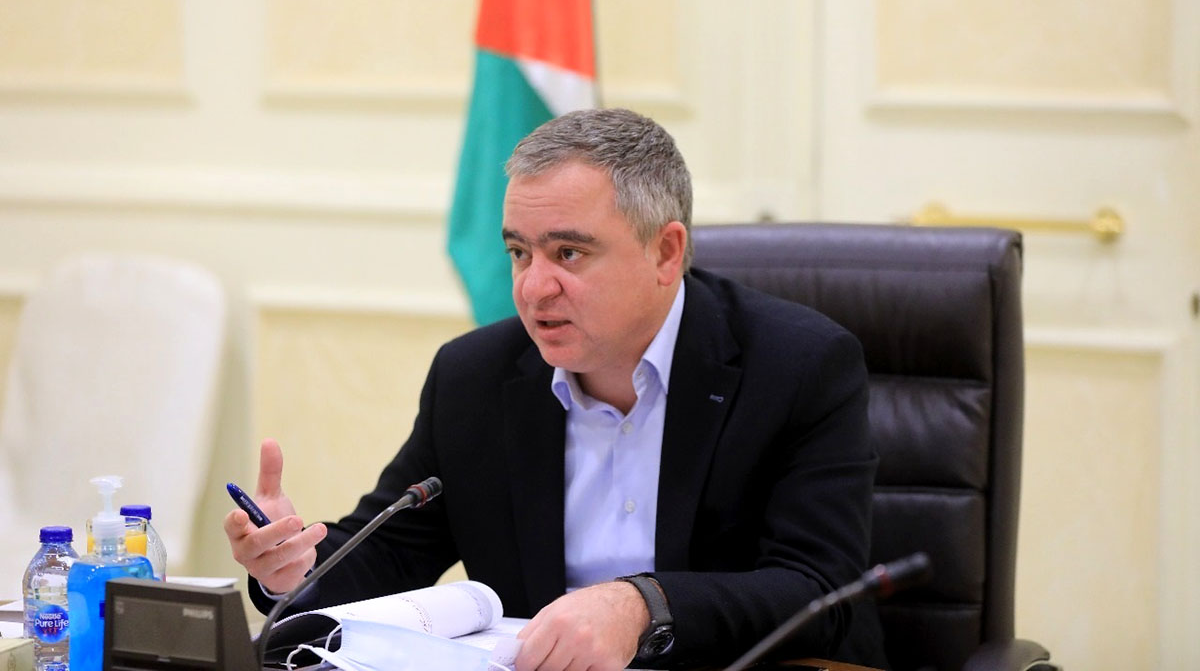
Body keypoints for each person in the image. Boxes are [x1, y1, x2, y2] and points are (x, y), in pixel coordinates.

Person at [225, 108, 882, 670]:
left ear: (665, 252)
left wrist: (643, 605)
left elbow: (820, 589)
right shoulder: (475, 376)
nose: (534, 287)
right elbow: (393, 550)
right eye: (520, 252)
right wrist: (294, 569)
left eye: (569, 253)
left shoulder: (798, 366)